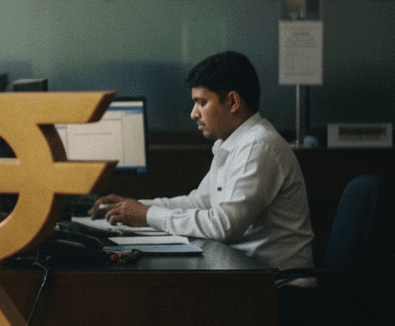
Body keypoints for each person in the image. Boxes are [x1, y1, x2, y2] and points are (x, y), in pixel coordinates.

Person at [91, 50, 314, 281]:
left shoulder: (259, 146)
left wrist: (147, 215)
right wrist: (133, 207)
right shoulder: (231, 143)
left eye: (201, 102)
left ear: (233, 101)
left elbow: (224, 226)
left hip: (279, 286)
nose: (193, 113)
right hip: (248, 276)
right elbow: (198, 202)